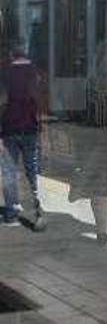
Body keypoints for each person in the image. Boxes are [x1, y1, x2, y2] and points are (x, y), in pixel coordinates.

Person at [0, 43, 45, 229]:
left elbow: (1, 101)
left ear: (12, 54)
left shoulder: (5, 73)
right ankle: (37, 210)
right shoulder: (35, 73)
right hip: (30, 128)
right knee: (32, 169)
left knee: (9, 170)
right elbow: (40, 99)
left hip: (10, 127)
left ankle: (11, 213)